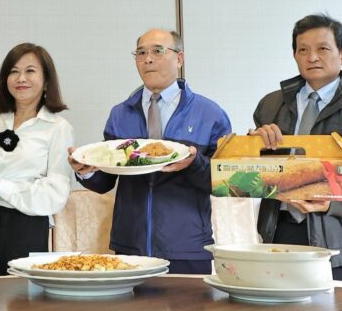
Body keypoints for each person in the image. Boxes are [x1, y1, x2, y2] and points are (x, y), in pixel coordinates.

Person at [250, 14, 342, 282]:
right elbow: (258, 175)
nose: (312, 57)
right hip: (279, 234)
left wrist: (333, 204)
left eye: (323, 49)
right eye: (303, 50)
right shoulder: (270, 106)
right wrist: (253, 146)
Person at [69, 29, 231, 274]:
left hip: (187, 245)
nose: (148, 59)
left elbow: (224, 182)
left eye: (157, 51)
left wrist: (193, 162)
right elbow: (106, 181)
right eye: (141, 53)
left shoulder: (209, 114)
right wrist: (86, 171)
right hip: (130, 245)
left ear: (179, 58)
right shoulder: (120, 114)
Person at [0, 43, 75, 275]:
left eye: (30, 71)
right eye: (14, 71)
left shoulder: (58, 128)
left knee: (18, 302)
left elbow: (56, 193)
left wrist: (2, 187)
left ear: (47, 80)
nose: (21, 78)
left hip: (25, 225)